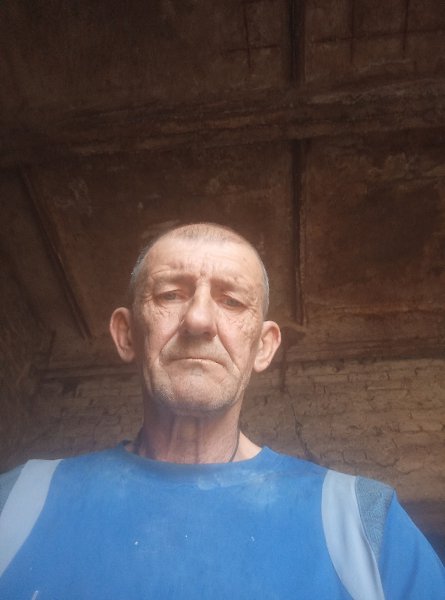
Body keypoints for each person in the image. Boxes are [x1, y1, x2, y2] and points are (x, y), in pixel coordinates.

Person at [0, 222, 443, 599]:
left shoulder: (364, 523)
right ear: (126, 334)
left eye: (232, 301)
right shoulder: (16, 502)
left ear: (263, 347)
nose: (198, 320)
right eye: (170, 294)